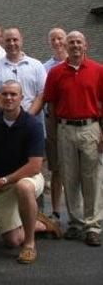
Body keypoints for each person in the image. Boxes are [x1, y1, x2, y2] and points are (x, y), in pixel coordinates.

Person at [0, 80, 62, 264]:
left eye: (13, 94)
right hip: (2, 182)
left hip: (29, 178)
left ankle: (29, 245)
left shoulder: (32, 125)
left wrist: (2, 181)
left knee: (24, 187)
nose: (9, 98)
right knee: (11, 241)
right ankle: (38, 223)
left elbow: (34, 166)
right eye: (5, 94)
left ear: (21, 98)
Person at [43, 31, 103, 247]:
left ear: (85, 45)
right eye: (71, 42)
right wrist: (53, 137)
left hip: (90, 128)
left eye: (79, 42)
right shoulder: (56, 72)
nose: (75, 45)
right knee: (69, 178)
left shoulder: (98, 70)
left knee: (93, 179)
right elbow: (51, 106)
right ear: (65, 46)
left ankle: (93, 226)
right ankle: (76, 223)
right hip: (65, 129)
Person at [0, 28, 46, 126]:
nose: (12, 43)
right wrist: (11, 116)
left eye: (15, 40)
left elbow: (42, 95)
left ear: (21, 40)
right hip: (4, 126)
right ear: (2, 42)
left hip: (33, 125)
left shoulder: (37, 65)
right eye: (8, 40)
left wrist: (25, 118)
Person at [42, 28, 68, 222]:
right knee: (57, 169)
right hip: (53, 124)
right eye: (53, 39)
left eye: (60, 38)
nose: (57, 42)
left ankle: (85, 213)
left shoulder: (76, 63)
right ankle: (57, 210)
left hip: (76, 122)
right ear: (49, 43)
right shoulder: (45, 68)